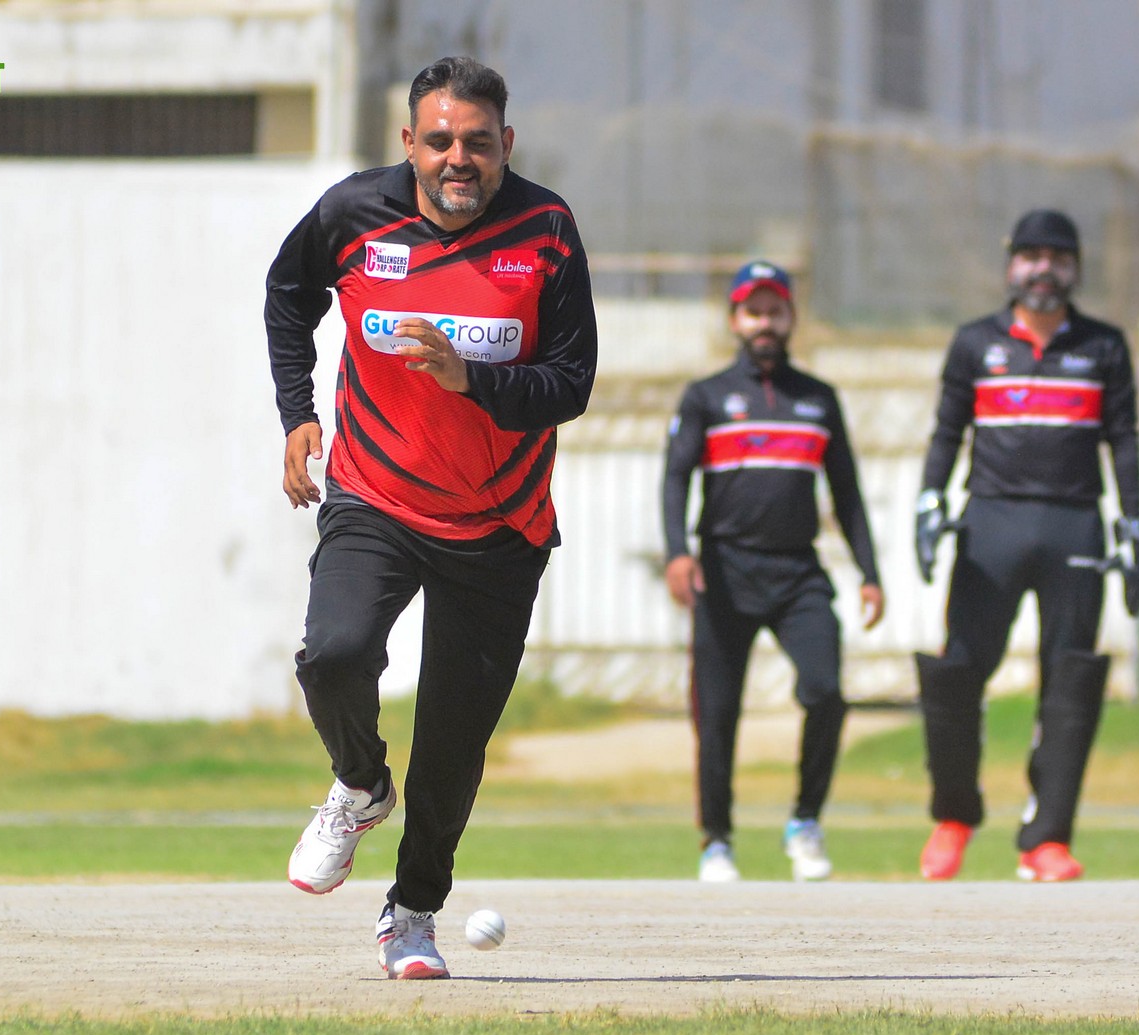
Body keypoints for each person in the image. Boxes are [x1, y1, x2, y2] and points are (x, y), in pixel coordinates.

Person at [264, 56, 597, 979]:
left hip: (500, 526)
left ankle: (411, 914)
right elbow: (288, 297)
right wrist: (297, 413)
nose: (460, 159)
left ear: (506, 145)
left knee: (452, 744)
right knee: (334, 653)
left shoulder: (547, 230)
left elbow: (570, 384)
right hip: (375, 497)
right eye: (441, 140)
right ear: (409, 142)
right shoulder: (352, 213)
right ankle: (360, 782)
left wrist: (469, 377)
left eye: (478, 143)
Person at [913, 208, 1139, 883]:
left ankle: (1046, 839)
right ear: (1011, 264)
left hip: (1075, 523)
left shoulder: (1104, 346)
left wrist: (1133, 523)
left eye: (1059, 258)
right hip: (991, 522)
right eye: (1032, 257)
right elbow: (947, 432)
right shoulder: (974, 343)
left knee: (1071, 678)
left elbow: (1124, 440)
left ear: (1076, 269)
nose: (1044, 269)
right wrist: (930, 500)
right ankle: (954, 816)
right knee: (958, 670)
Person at [662, 261, 885, 883]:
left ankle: (805, 822)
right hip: (724, 573)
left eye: (775, 311)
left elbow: (847, 493)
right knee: (717, 712)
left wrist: (870, 572)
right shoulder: (706, 397)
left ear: (791, 318)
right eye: (753, 311)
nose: (765, 322)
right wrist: (678, 552)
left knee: (826, 691)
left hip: (797, 573)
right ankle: (717, 840)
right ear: (735, 319)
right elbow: (675, 478)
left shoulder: (818, 399)